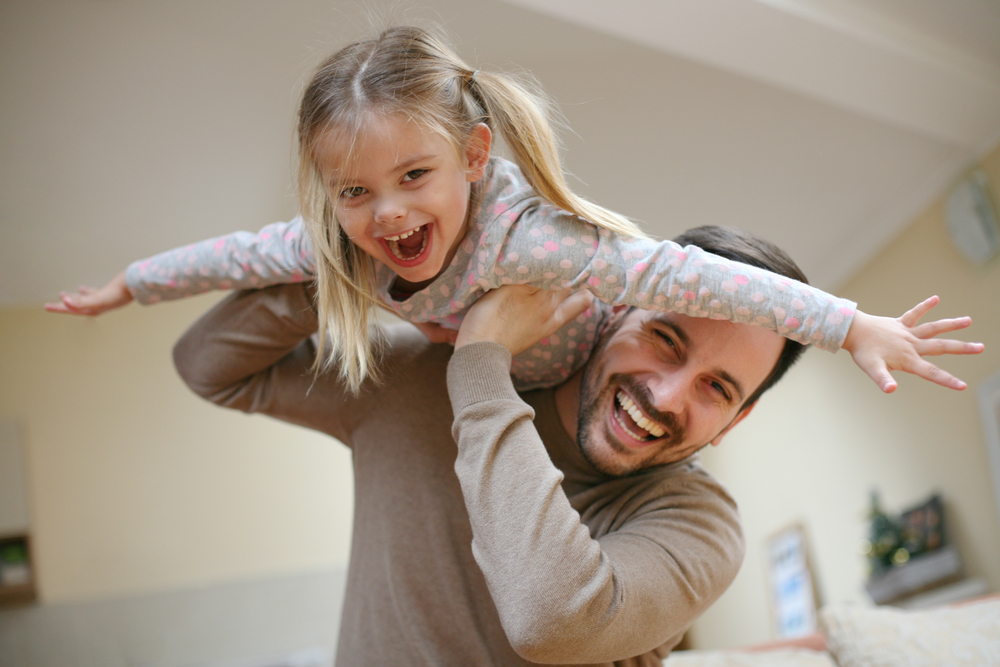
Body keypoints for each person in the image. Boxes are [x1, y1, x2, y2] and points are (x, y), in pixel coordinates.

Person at [171, 225, 981, 666]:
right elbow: (208, 366)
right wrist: (351, 254)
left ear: (734, 423)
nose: (668, 395)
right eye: (665, 340)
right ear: (609, 313)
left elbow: (550, 618)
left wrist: (482, 362)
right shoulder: (415, 380)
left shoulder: (699, 521)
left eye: (717, 388)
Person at [45, 25, 948, 396]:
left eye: (412, 177)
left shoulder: (532, 239)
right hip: (501, 389)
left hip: (579, 373)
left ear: (474, 159)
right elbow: (233, 255)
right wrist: (127, 284)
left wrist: (845, 323)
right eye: (354, 191)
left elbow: (681, 273)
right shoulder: (343, 248)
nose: (387, 215)